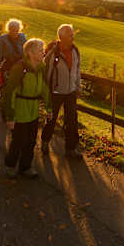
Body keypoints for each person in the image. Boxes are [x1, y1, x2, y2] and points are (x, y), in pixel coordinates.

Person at [3, 38, 53, 179]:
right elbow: (10, 92)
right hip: (20, 111)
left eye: (43, 50)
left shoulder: (41, 68)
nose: (43, 53)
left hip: (33, 111)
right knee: (18, 141)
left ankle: (25, 167)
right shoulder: (20, 68)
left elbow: (45, 90)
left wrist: (49, 108)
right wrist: (10, 116)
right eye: (40, 50)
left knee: (31, 141)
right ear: (30, 52)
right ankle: (10, 166)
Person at [41, 24, 82, 158]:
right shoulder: (54, 52)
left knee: (72, 121)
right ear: (61, 37)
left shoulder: (75, 50)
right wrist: (47, 91)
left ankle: (70, 149)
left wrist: (78, 87)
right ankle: (45, 141)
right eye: (70, 35)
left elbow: (77, 70)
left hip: (71, 92)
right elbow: (47, 72)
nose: (73, 37)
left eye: (73, 34)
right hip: (56, 92)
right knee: (51, 119)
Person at [0, 19, 27, 89]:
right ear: (9, 29)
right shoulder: (3, 40)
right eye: (12, 29)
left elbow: (27, 53)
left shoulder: (23, 39)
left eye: (17, 30)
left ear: (19, 29)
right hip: (8, 67)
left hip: (20, 67)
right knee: (7, 86)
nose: (15, 32)